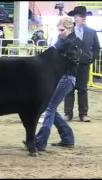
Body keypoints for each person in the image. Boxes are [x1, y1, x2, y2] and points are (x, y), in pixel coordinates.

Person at [32, 17, 81, 151]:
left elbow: (55, 54)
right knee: (50, 107)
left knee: (49, 107)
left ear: (69, 28)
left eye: (62, 30)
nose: (60, 32)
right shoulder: (64, 40)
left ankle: (40, 141)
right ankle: (68, 138)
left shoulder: (71, 42)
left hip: (67, 78)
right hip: (63, 78)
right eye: (59, 30)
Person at [64, 6, 100, 122]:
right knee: (69, 89)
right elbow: (62, 46)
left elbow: (96, 48)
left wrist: (91, 59)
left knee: (83, 89)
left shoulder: (92, 32)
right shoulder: (68, 30)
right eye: (81, 16)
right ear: (75, 18)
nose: (83, 18)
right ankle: (68, 114)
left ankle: (83, 114)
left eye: (84, 16)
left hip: (84, 64)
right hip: (70, 64)